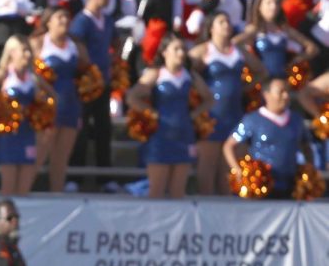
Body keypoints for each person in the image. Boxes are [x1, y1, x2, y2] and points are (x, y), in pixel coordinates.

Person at [126, 33, 213, 198]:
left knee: (178, 192)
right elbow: (132, 97)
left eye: (183, 49)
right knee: (156, 191)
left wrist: (194, 114)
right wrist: (151, 112)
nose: (181, 53)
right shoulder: (157, 73)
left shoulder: (190, 75)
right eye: (176, 49)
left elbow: (209, 99)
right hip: (160, 136)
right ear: (164, 52)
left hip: (183, 134)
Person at [188, 11, 266, 196]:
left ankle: (227, 208)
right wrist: (199, 90)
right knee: (207, 165)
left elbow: (262, 70)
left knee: (229, 167)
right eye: (221, 21)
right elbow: (183, 69)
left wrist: (246, 87)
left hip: (234, 113)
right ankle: (206, 207)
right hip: (212, 116)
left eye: (228, 21)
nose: (227, 25)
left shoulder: (237, 50)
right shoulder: (204, 50)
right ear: (211, 27)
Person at [0, 35, 55, 195]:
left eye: (29, 50)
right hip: (9, 136)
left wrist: (41, 112)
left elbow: (53, 98)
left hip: (28, 134)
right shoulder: (5, 74)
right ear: (12, 52)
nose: (27, 54)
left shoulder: (33, 78)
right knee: (8, 185)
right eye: (24, 50)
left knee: (25, 187)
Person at [29, 6, 91, 192]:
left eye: (67, 17)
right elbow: (29, 73)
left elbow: (87, 72)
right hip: (47, 105)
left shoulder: (76, 46)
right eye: (59, 17)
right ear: (48, 22)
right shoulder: (38, 43)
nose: (64, 21)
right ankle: (24, 189)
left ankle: (57, 193)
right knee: (40, 152)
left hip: (71, 103)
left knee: (62, 156)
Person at [223, 76, 314, 199]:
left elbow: (306, 146)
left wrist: (309, 169)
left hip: (290, 185)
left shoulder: (296, 120)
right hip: (261, 186)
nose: (286, 96)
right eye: (281, 92)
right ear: (266, 95)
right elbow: (229, 146)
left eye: (287, 91)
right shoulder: (253, 119)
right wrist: (238, 170)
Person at [68, 0, 115, 168]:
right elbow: (76, 45)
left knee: (104, 127)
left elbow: (115, 43)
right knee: (82, 127)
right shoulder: (81, 21)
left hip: (103, 81)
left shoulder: (108, 20)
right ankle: (76, 174)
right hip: (85, 83)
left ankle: (105, 175)